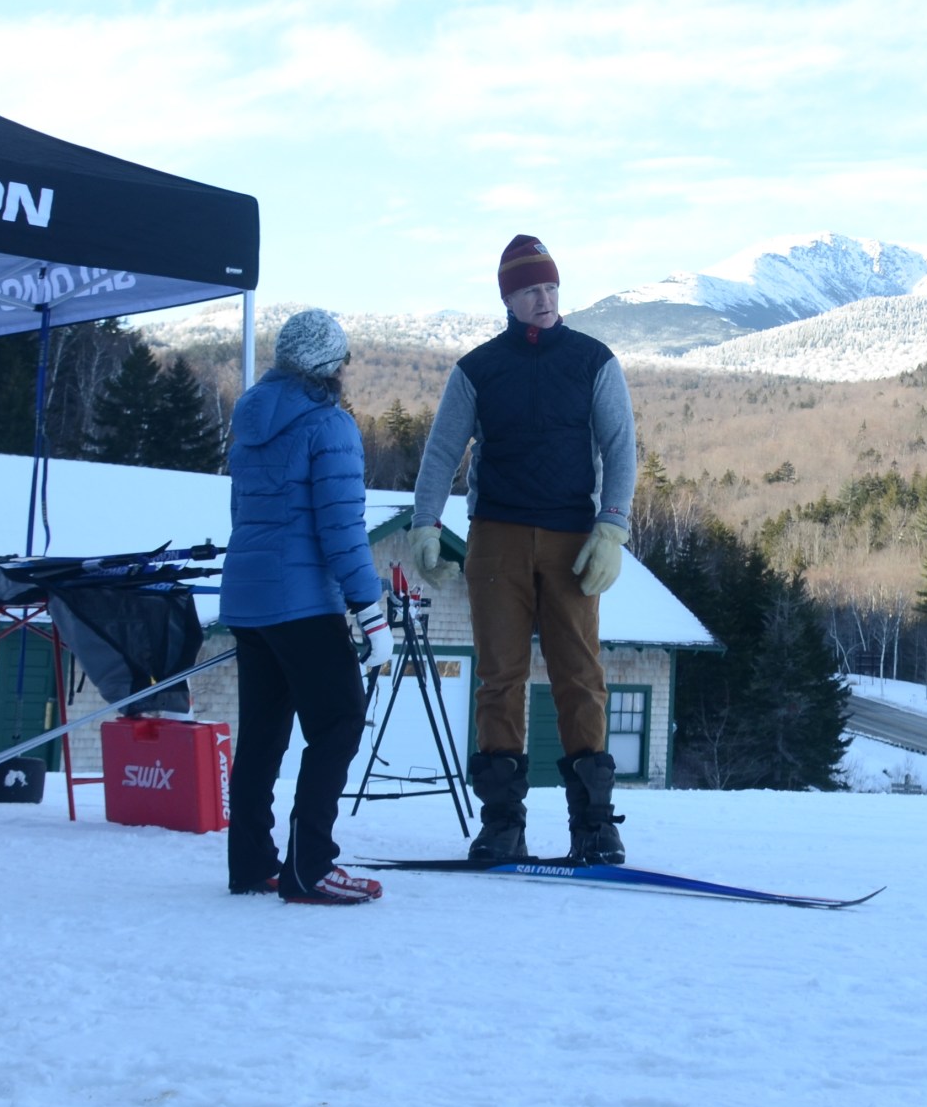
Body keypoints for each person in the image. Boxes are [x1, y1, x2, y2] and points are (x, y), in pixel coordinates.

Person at [410, 235, 636, 866]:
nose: (545, 299)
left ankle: (594, 825)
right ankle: (502, 823)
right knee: (498, 678)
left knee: (579, 676)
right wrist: (425, 524)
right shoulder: (478, 369)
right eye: (532, 289)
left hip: (573, 540)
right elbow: (441, 451)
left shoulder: (593, 361)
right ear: (508, 297)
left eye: (552, 287)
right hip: (497, 539)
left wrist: (612, 527)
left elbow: (621, 448)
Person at [221, 308, 390, 905]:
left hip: (248, 601)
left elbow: (245, 519)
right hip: (302, 604)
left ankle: (251, 864)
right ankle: (310, 866)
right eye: (344, 358)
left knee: (263, 736)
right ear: (328, 365)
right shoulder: (329, 427)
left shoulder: (249, 423)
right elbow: (342, 531)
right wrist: (372, 614)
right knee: (339, 721)